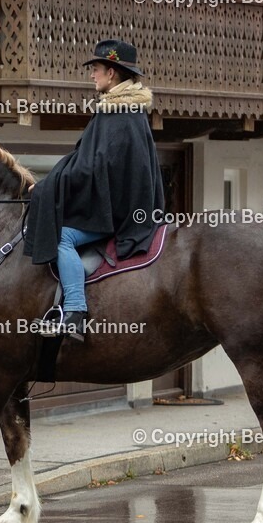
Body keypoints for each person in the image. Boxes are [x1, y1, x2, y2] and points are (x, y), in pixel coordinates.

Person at [24, 39, 165, 341]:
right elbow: (87, 162)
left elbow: (91, 169)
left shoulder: (117, 114)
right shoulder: (128, 111)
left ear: (112, 73)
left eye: (97, 69)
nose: (92, 75)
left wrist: (48, 187)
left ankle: (74, 310)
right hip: (126, 206)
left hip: (117, 214)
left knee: (62, 238)